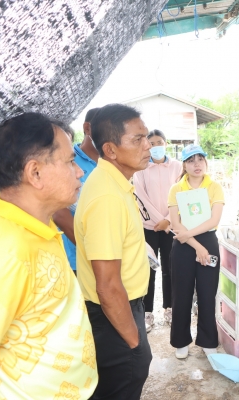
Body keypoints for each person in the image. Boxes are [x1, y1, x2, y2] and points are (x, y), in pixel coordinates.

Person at [0, 113, 98, 399]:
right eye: (70, 162)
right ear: (35, 173)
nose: (79, 172)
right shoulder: (1, 252)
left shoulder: (38, 226)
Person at [74, 104, 152, 399]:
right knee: (124, 383)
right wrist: (135, 343)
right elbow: (107, 285)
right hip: (114, 316)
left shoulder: (115, 184)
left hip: (119, 311)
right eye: (137, 139)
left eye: (146, 137)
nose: (147, 146)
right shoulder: (107, 195)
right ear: (110, 150)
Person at [168, 144, 224, 359]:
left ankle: (208, 340)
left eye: (200, 159)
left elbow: (214, 219)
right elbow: (175, 223)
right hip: (183, 246)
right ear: (184, 165)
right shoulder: (176, 189)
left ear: (205, 162)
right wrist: (197, 246)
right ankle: (180, 341)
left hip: (207, 240)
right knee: (181, 294)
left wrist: (195, 240)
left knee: (207, 293)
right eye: (191, 160)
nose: (196, 164)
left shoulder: (214, 187)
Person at [133, 129, 182, 332]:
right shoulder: (141, 168)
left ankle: (169, 309)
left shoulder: (177, 166)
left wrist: (168, 220)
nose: (155, 146)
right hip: (149, 227)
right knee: (149, 270)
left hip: (172, 227)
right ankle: (147, 313)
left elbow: (181, 195)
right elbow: (140, 197)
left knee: (171, 269)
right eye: (151, 143)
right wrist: (159, 221)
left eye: (159, 142)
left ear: (166, 143)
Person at [53, 108, 101, 274]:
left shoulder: (110, 164)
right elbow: (59, 213)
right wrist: (94, 253)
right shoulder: (66, 160)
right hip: (78, 259)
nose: (78, 172)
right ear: (87, 128)